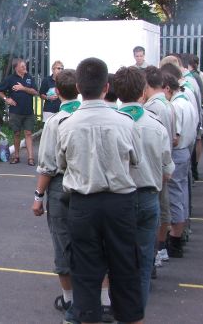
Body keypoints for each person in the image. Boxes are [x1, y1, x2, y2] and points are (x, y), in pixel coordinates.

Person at [57, 57, 143, 324]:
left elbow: (62, 164)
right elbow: (136, 160)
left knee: (84, 274)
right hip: (120, 203)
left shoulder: (66, 125)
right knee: (126, 272)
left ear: (79, 88)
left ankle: (88, 316)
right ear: (107, 87)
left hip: (83, 205)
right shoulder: (125, 122)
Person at [113, 66, 174, 309]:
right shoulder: (156, 125)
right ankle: (136, 312)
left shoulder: (112, 124)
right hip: (149, 196)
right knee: (144, 259)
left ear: (117, 93)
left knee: (116, 257)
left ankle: (116, 308)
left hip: (119, 197)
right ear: (143, 91)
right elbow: (168, 171)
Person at [32, 68, 80, 322]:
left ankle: (70, 300)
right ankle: (104, 302)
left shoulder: (55, 122)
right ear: (80, 90)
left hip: (62, 187)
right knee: (92, 244)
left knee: (63, 243)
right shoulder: (91, 115)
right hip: (90, 188)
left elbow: (48, 165)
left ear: (57, 92)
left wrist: (38, 196)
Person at [143, 66, 176, 271]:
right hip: (164, 163)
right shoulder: (167, 103)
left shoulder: (154, 107)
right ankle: (160, 250)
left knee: (156, 213)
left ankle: (155, 253)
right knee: (162, 209)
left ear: (146, 85)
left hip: (155, 166)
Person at [162, 72, 197, 258]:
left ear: (167, 88)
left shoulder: (175, 106)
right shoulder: (187, 102)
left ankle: (175, 238)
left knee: (174, 195)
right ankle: (180, 233)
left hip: (177, 152)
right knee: (181, 192)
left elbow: (175, 138)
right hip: (186, 151)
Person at [0, 58, 38, 166]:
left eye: (25, 66)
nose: (25, 68)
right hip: (15, 112)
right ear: (16, 68)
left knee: (28, 133)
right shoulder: (10, 79)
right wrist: (6, 99)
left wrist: (23, 88)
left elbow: (35, 92)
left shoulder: (29, 78)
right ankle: (17, 156)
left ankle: (31, 158)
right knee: (17, 133)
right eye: (22, 66)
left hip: (28, 112)